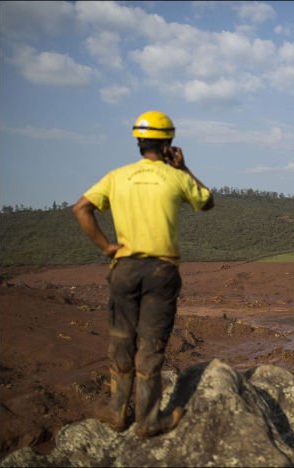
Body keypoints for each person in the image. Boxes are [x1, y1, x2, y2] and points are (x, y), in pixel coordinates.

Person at [73, 110, 214, 437]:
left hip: (124, 268)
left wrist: (106, 247)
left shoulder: (117, 176)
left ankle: (118, 411)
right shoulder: (175, 177)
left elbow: (81, 208)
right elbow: (206, 202)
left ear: (139, 142)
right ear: (168, 144)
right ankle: (150, 420)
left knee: (122, 337)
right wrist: (184, 167)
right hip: (161, 271)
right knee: (150, 343)